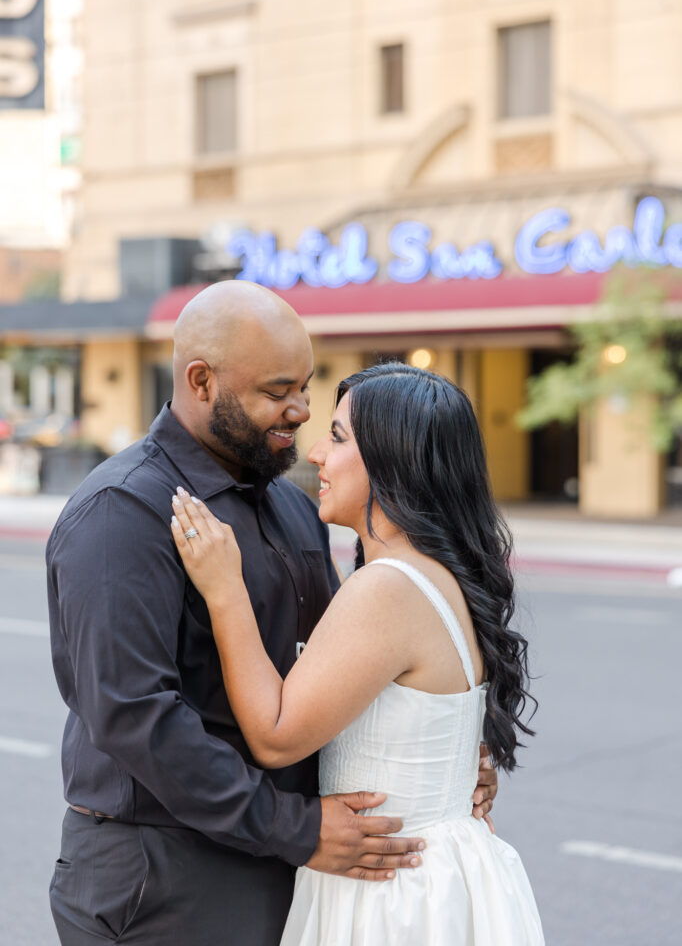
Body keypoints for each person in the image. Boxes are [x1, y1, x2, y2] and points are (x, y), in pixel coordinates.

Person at [46, 282, 497, 946]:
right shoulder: (124, 513)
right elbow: (135, 716)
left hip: (283, 861)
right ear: (202, 382)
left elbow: (345, 670)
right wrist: (295, 828)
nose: (301, 412)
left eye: (307, 389)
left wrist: (444, 762)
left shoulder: (290, 507)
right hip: (163, 873)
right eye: (277, 391)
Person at [170, 361, 544, 946]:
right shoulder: (436, 572)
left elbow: (274, 734)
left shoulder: (389, 585)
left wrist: (225, 590)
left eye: (339, 437)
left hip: (391, 890)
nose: (315, 453)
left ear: (395, 461)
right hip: (437, 872)